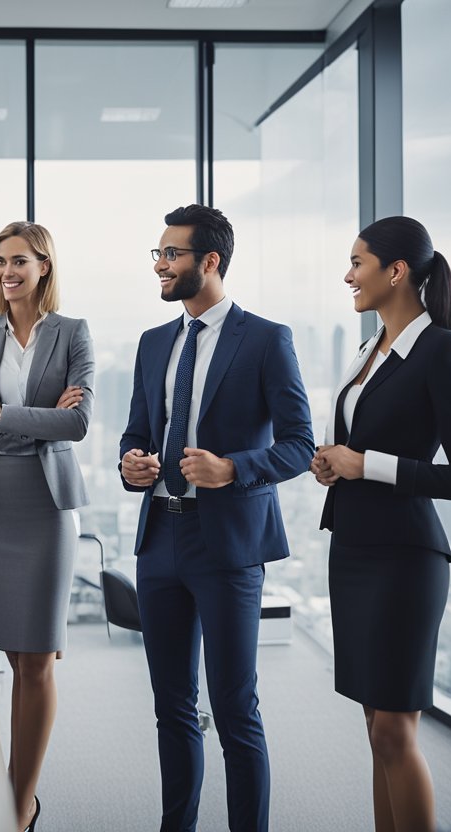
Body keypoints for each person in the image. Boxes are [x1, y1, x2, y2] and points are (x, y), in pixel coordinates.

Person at [120, 204, 314, 832]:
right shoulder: (154, 344)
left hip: (226, 544)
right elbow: (137, 433)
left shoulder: (264, 339)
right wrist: (132, 465)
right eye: (157, 252)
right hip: (160, 539)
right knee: (171, 708)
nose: (159, 264)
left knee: (234, 709)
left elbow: (299, 444)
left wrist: (232, 469)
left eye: (170, 253)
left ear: (209, 261)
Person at [311, 216, 451, 832]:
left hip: (404, 558)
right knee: (376, 729)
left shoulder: (440, 349)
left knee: (393, 730)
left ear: (397, 271)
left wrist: (366, 463)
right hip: (355, 549)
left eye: (357, 262)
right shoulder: (371, 350)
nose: (348, 274)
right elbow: (365, 447)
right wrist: (336, 462)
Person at [0, 221, 93, 832]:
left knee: (37, 658)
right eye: (0, 262)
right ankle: (10, 787)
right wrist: (36, 420)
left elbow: (78, 423)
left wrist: (4, 413)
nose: (7, 273)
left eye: (19, 262)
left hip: (47, 504)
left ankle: (19, 801)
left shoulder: (72, 333)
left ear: (44, 267)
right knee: (11, 649)